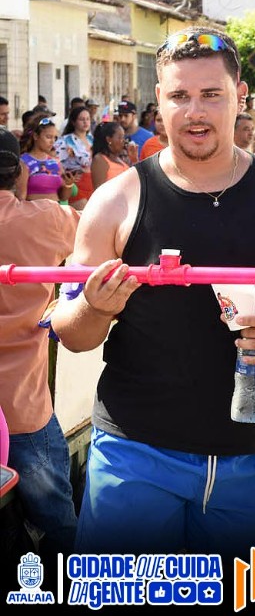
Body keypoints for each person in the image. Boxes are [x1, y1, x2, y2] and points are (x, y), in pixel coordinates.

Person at [48, 26, 255, 558]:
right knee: (121, 594)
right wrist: (93, 306)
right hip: (132, 455)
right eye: (179, 95)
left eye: (211, 94)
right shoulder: (116, 200)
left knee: (238, 593)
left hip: (247, 459)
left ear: (240, 96)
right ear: (159, 100)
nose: (195, 112)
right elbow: (70, 332)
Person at [0, 128, 81, 559]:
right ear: (20, 173)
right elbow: (101, 234)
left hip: (21, 408)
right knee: (59, 527)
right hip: (22, 409)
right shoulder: (46, 220)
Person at [19, 115, 75, 204]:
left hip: (55, 209)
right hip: (34, 210)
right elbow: (20, 197)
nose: (52, 141)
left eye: (55, 138)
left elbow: (63, 197)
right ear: (36, 136)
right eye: (48, 137)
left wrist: (68, 184)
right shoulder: (24, 161)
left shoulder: (56, 162)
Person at [55, 106, 94, 210]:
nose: (85, 122)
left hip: (92, 182)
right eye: (81, 119)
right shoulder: (65, 140)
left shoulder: (92, 139)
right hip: (76, 183)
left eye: (88, 119)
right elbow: (55, 161)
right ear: (73, 122)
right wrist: (65, 175)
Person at [91, 122, 136, 189]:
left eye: (124, 137)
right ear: (109, 140)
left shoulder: (120, 159)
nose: (124, 141)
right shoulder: (99, 160)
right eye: (120, 137)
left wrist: (134, 159)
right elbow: (99, 191)